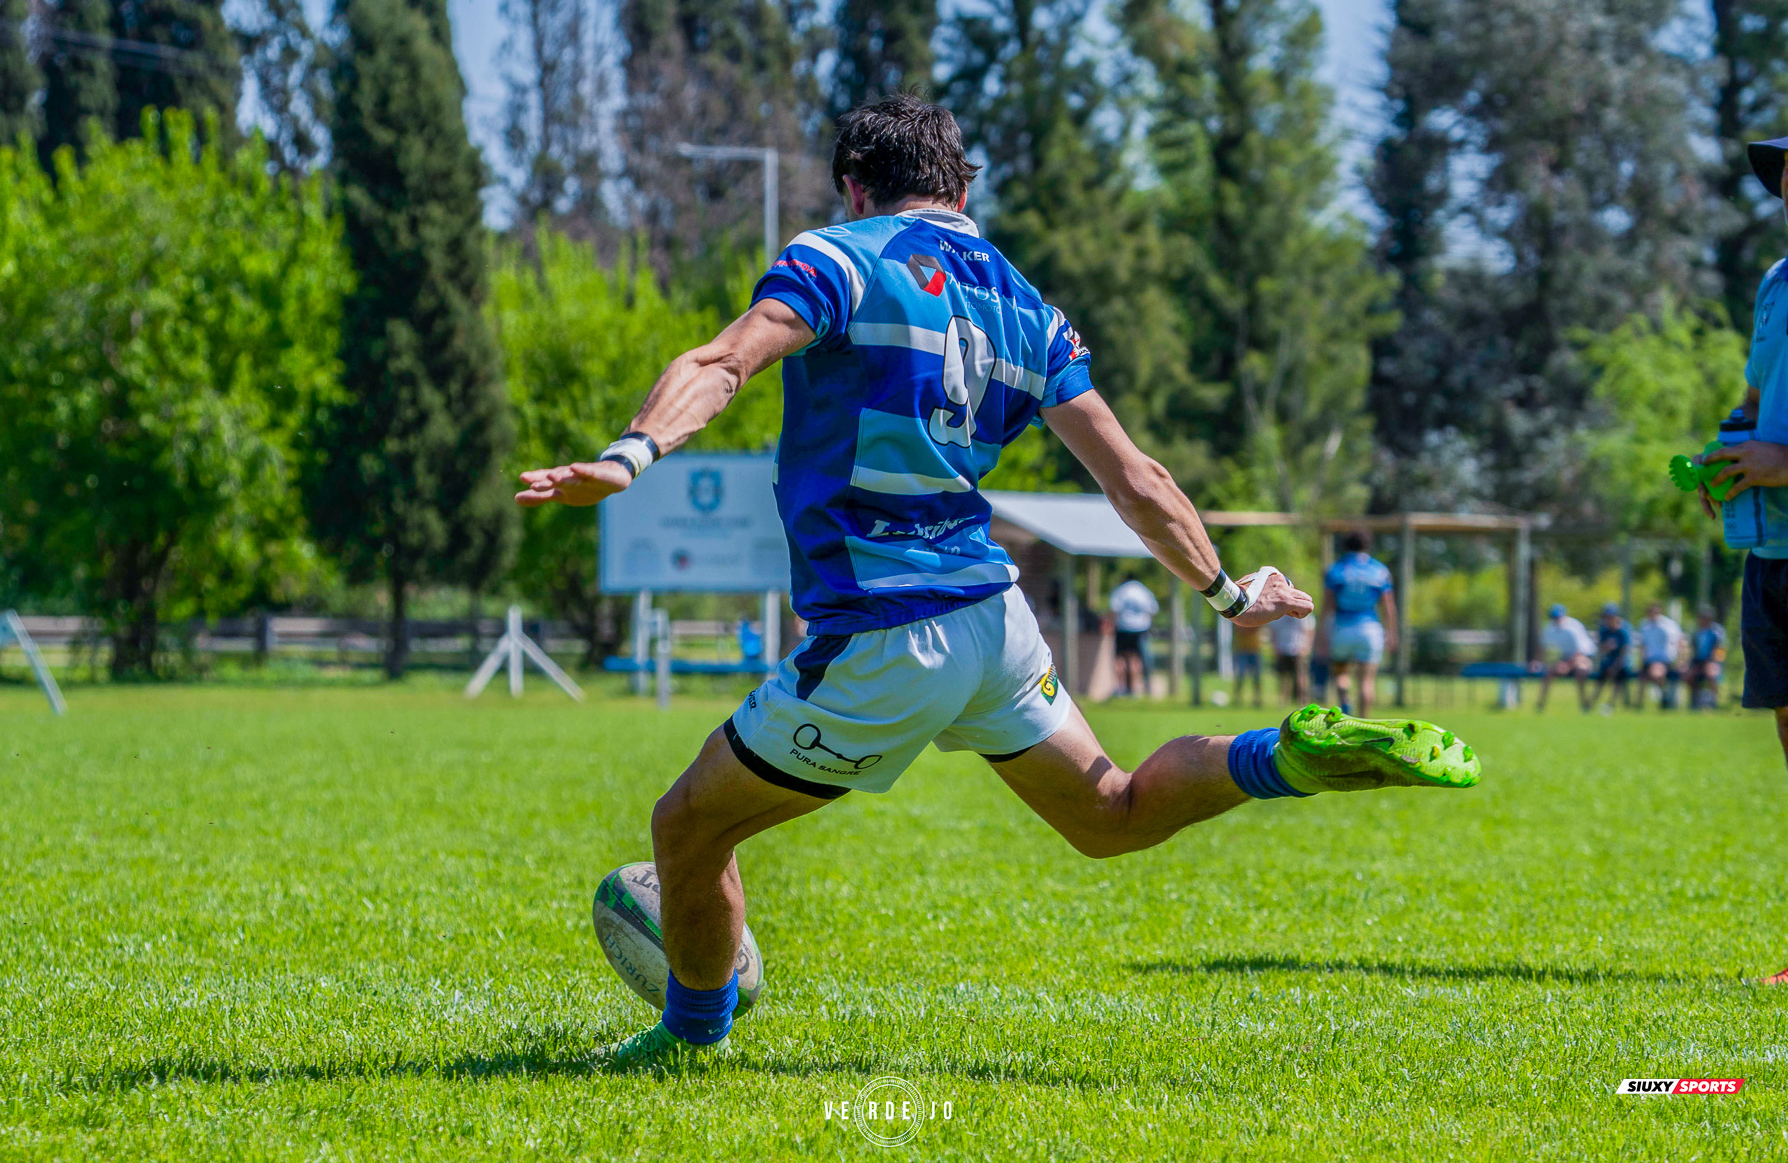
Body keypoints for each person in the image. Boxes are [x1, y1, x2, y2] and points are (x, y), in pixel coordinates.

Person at [515, 95, 1480, 1069]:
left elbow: (725, 361)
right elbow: (1135, 479)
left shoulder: (839, 257)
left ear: (856, 184)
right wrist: (1232, 594)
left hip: (887, 631)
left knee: (687, 826)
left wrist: (632, 453)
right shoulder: (1028, 307)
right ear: (963, 185)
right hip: (994, 620)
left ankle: (687, 1043)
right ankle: (1288, 754)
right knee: (1112, 816)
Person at [1699, 134, 1788, 984]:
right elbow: (1757, 399)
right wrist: (1726, 459)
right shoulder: (1774, 283)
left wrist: (1781, 461)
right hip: (1773, 549)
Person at [1317, 533, 1398, 718]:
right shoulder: (1380, 570)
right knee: (1366, 680)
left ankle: (1345, 700)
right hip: (1370, 629)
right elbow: (1389, 607)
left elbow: (1327, 606)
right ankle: (1363, 721)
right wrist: (1392, 633)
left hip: (1342, 628)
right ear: (1367, 546)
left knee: (1341, 673)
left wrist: (1321, 635)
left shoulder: (1336, 570)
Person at [1537, 603, 1594, 713]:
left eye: (1558, 617)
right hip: (1566, 658)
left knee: (1580, 671)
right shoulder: (1549, 628)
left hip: (1583, 657)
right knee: (1549, 673)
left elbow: (1580, 652)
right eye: (1554, 617)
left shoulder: (1573, 628)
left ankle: (1584, 704)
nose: (1556, 620)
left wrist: (1567, 666)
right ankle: (1540, 705)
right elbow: (1541, 648)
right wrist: (1537, 662)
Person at [1108, 577, 1160, 697]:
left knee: (1120, 659)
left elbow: (1114, 609)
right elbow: (1153, 610)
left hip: (1123, 628)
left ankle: (1121, 688)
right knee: (1135, 659)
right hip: (1140, 628)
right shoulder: (1144, 591)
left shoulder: (1121, 590)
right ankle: (1133, 689)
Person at [1636, 603, 1685, 711]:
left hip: (1665, 659)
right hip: (1649, 660)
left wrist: (1681, 660)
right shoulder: (1644, 625)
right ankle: (1638, 705)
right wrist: (1640, 661)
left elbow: (1680, 642)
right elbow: (1643, 645)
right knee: (1641, 677)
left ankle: (1665, 698)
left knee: (1656, 673)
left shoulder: (1669, 625)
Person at [1588, 604, 1635, 713]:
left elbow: (1625, 651)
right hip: (1608, 662)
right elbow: (1600, 648)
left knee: (1617, 678)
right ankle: (1591, 704)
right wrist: (1606, 647)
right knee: (1601, 679)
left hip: (1622, 663)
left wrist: (1615, 666)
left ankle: (1611, 703)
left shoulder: (1623, 630)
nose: (1607, 619)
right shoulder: (1604, 630)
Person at [1268, 609, 1314, 703]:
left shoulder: (1303, 614)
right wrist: (1275, 648)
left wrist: (1307, 647)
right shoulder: (1278, 615)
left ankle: (1303, 699)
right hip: (1283, 649)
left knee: (1301, 676)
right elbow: (1273, 632)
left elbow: (1309, 631)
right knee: (1284, 676)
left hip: (1299, 649)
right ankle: (1284, 699)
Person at [1687, 607, 1727, 710]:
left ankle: (1714, 701)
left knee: (1711, 674)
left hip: (1712, 661)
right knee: (1689, 675)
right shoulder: (1696, 632)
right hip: (1698, 662)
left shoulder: (1716, 632)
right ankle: (1694, 701)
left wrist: (1715, 662)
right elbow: (1692, 649)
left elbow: (1720, 650)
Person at [1232, 621, 1264, 707]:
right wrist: (1251, 626)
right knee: (1240, 676)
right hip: (1242, 650)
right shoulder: (1240, 616)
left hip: (1255, 650)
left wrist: (1247, 626)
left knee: (1256, 678)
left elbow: (1258, 627)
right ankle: (1237, 699)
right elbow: (1240, 629)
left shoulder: (1256, 616)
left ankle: (1257, 699)